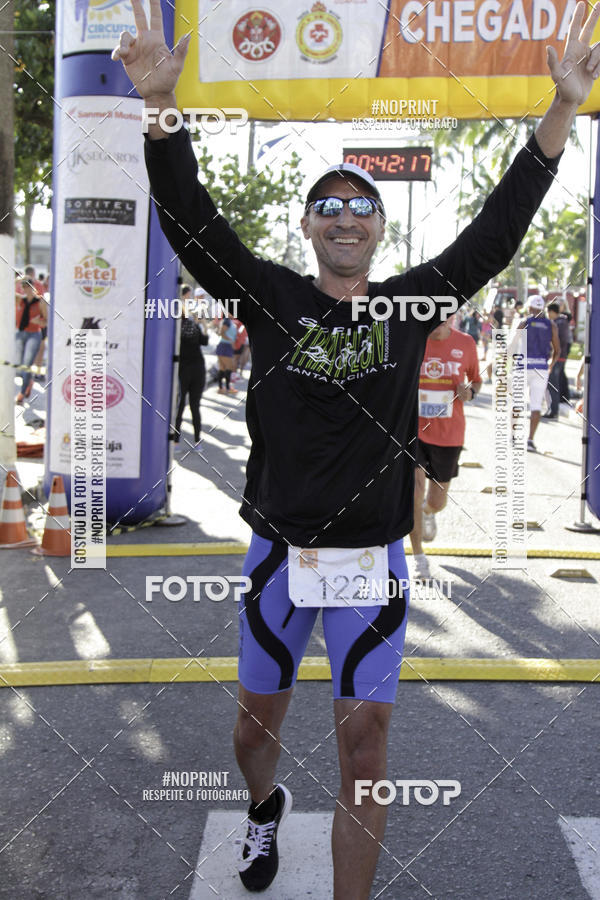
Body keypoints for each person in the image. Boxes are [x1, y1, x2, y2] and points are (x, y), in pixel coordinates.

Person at [113, 3, 600, 895]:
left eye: (360, 209)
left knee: (365, 745)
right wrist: (159, 107)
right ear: (308, 229)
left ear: (378, 231)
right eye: (328, 206)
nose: (345, 218)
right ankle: (264, 811)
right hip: (277, 555)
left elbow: (496, 233)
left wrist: (560, 111)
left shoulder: (409, 307)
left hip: (371, 562)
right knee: (251, 738)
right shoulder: (268, 296)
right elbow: (190, 220)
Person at [409, 317, 481, 580]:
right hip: (413, 429)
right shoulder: (413, 338)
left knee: (436, 502)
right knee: (414, 493)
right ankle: (419, 559)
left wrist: (469, 393)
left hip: (449, 433)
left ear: (451, 318)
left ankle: (428, 513)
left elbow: (476, 380)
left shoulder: (466, 343)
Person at [514, 295, 559, 451]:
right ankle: (530, 440)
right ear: (543, 308)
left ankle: (513, 435)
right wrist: (551, 365)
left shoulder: (524, 323)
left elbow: (512, 346)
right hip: (541, 368)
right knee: (536, 405)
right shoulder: (551, 325)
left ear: (530, 308)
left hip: (522, 367)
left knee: (517, 403)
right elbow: (557, 350)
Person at [173, 287, 208, 453]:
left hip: (192, 368)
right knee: (187, 405)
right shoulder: (181, 326)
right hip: (189, 368)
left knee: (187, 405)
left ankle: (184, 441)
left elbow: (205, 341)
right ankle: (185, 442)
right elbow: (204, 341)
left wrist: (203, 325)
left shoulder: (187, 326)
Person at [15, 279, 47, 404]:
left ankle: (22, 392)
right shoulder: (20, 299)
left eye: (27, 286)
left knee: (27, 363)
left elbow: (46, 321)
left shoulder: (40, 302)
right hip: (20, 332)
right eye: (23, 286)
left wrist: (39, 322)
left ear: (32, 287)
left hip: (33, 334)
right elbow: (5, 291)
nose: (25, 289)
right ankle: (29, 381)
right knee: (19, 363)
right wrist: (17, 280)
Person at [544, 300, 571, 418]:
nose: (547, 315)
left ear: (551, 312)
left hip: (557, 357)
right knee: (552, 383)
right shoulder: (560, 322)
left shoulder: (558, 323)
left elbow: (559, 341)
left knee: (553, 384)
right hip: (558, 356)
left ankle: (553, 410)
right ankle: (552, 409)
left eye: (548, 312)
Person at [215, 316, 238, 394]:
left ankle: (221, 388)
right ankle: (227, 388)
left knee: (223, 368)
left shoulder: (228, 321)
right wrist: (231, 340)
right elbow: (221, 333)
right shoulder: (227, 321)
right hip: (225, 346)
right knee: (229, 367)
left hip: (225, 346)